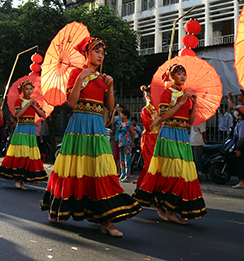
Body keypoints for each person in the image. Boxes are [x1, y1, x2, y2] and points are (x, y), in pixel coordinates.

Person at [41, 37, 141, 237]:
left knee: (101, 169)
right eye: (96, 51)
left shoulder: (103, 79)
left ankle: (107, 221)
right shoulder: (76, 73)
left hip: (96, 125)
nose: (100, 55)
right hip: (79, 124)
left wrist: (111, 89)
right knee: (72, 168)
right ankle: (59, 209)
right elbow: (71, 102)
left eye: (102, 53)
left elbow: (111, 109)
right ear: (86, 54)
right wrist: (80, 79)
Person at [134, 63, 206, 224]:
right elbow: (164, 116)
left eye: (184, 74)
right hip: (168, 134)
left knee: (184, 172)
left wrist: (193, 104)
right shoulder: (168, 93)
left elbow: (190, 121)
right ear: (171, 77)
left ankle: (167, 205)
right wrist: (181, 103)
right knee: (171, 170)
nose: (182, 76)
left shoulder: (185, 95)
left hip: (182, 135)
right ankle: (167, 207)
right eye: (179, 73)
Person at [0, 80, 48, 188]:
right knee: (21, 152)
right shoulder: (18, 102)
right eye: (27, 89)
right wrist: (27, 105)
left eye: (30, 89)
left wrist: (33, 106)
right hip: (21, 129)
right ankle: (17, 179)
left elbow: (43, 114)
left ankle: (22, 180)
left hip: (31, 130)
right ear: (23, 91)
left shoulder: (34, 102)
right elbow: (17, 114)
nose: (29, 91)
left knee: (29, 153)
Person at [136, 85, 160, 187]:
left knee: (158, 165)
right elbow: (148, 126)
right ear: (148, 96)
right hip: (149, 139)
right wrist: (159, 118)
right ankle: (143, 187)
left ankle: (153, 187)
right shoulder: (145, 110)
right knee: (150, 164)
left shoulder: (159, 108)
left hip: (158, 138)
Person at [114, 108, 136, 182]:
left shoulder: (129, 123)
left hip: (127, 143)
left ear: (126, 116)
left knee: (127, 160)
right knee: (122, 159)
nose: (121, 116)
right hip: (121, 143)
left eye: (123, 115)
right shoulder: (121, 123)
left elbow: (133, 133)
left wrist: (132, 141)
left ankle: (127, 175)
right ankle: (122, 174)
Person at [231, 109, 244, 189]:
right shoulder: (242, 123)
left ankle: (242, 182)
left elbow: (241, 136)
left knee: (241, 164)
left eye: (237, 112)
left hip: (241, 146)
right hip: (243, 145)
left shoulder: (242, 124)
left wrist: (238, 148)